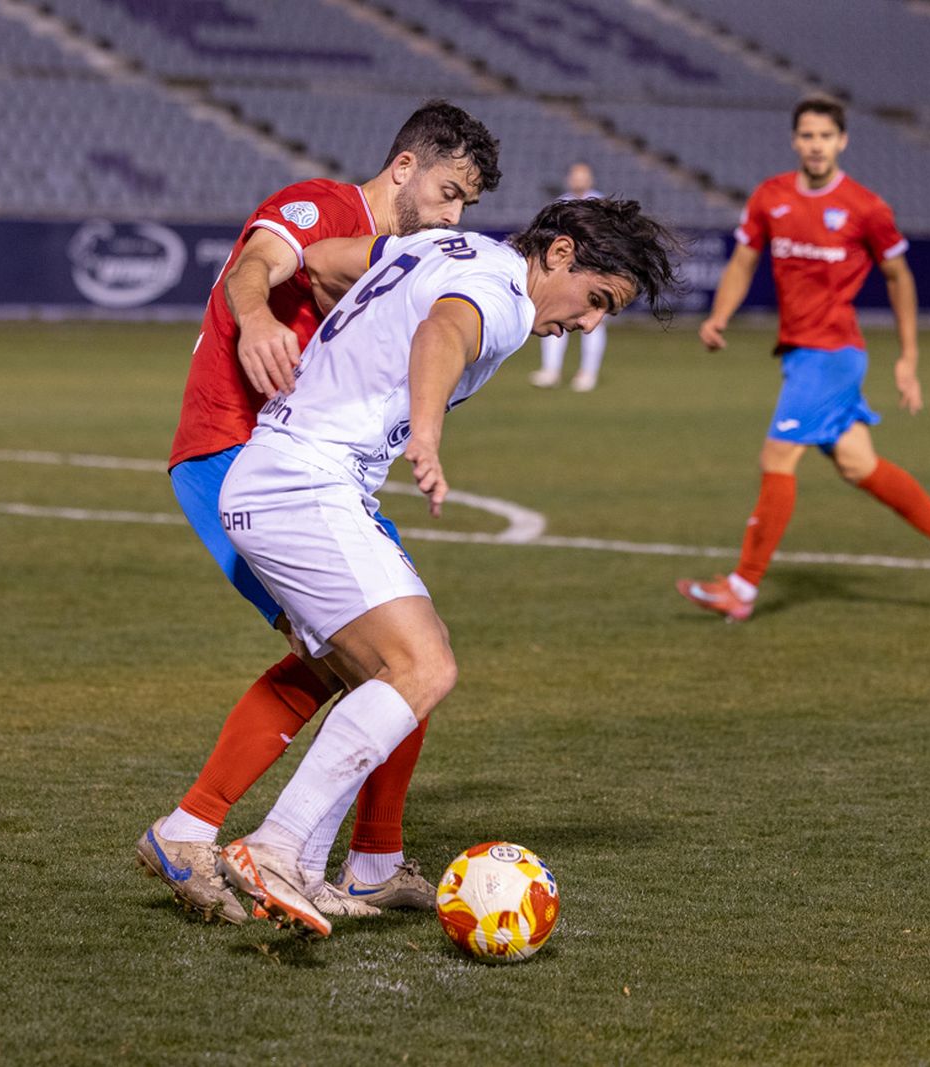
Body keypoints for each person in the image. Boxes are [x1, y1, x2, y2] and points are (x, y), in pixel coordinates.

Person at [214, 197, 683, 936]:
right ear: (559, 254)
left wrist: (357, 320)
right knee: (423, 666)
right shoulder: (500, 296)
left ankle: (306, 864)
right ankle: (273, 847)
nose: (588, 323)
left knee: (389, 672)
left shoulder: (444, 248)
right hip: (303, 484)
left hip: (284, 475)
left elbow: (324, 259)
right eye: (597, 301)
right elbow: (442, 332)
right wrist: (426, 436)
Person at [136, 101, 502, 926]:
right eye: (446, 192)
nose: (450, 215)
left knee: (402, 652)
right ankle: (196, 828)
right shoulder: (323, 203)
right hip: (237, 451)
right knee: (373, 656)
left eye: (464, 207)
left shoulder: (397, 253)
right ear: (403, 167)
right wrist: (259, 315)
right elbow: (254, 265)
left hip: (316, 471)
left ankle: (368, 858)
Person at [677, 95, 930, 623]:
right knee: (857, 463)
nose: (815, 145)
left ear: (842, 141)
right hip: (801, 354)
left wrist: (908, 358)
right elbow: (743, 261)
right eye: (807, 135)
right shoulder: (770, 197)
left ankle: (742, 588)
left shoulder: (867, 208)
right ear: (795, 140)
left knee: (776, 459)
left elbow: (900, 279)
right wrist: (719, 316)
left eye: (825, 136)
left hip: (834, 353)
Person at [528, 161, 609, 392]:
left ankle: (588, 373)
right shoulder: (560, 204)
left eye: (583, 175)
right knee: (555, 317)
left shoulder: (601, 206)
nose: (578, 180)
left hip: (593, 270)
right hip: (566, 271)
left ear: (591, 179)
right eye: (575, 176)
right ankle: (551, 370)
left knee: (594, 323)